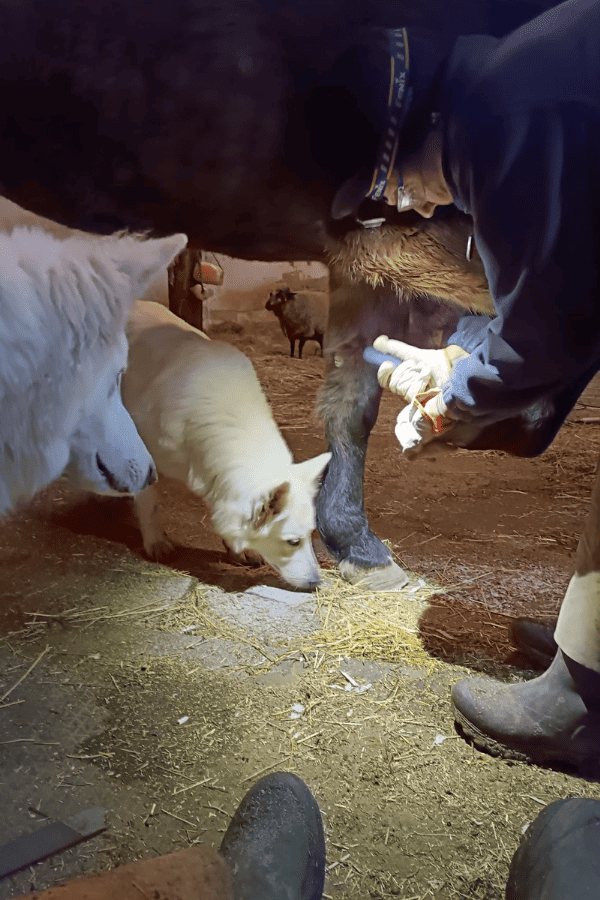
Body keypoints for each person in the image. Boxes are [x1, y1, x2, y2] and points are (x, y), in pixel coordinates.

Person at [327, 0, 600, 772]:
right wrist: (454, 362)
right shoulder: (503, 99)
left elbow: (549, 339)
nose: (404, 206)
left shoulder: (516, 119)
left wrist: (451, 400)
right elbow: (535, 286)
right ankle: (591, 642)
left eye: (390, 182)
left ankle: (584, 705)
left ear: (421, 126)